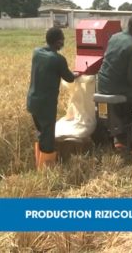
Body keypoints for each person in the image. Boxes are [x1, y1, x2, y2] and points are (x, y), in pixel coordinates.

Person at [97, 14, 132, 157]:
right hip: (117, 87)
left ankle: (119, 141)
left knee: (126, 104)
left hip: (102, 84)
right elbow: (131, 79)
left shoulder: (114, 37)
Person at [27, 27, 76, 169]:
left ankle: (38, 164)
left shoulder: (36, 52)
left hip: (32, 101)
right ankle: (46, 171)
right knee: (48, 137)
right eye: (62, 41)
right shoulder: (58, 59)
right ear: (59, 41)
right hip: (46, 105)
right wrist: (77, 74)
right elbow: (70, 78)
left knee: (41, 133)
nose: (63, 43)